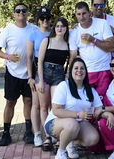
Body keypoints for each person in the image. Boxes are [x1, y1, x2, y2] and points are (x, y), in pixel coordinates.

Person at [0, 3, 39, 146]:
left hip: (29, 73)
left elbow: (48, 34)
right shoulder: (8, 31)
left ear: (27, 13)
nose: (21, 13)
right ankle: (6, 133)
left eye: (23, 11)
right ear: (14, 14)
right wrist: (7, 56)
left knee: (28, 102)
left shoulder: (34, 29)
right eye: (18, 11)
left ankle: (28, 131)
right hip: (12, 73)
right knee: (10, 103)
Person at [46, 58, 110, 159]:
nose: (79, 71)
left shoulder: (90, 90)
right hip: (55, 122)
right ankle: (61, 152)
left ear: (86, 71)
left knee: (93, 139)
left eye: (82, 68)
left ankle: (69, 142)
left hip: (77, 123)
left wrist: (107, 114)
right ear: (71, 71)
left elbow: (98, 108)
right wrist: (78, 115)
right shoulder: (64, 86)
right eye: (76, 68)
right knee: (72, 125)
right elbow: (56, 110)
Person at [69, 1, 114, 98]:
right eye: (78, 14)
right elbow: (73, 56)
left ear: (89, 13)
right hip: (86, 72)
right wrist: (71, 74)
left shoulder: (102, 23)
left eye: (84, 13)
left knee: (102, 103)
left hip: (104, 70)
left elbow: (112, 47)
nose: (81, 17)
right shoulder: (74, 32)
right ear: (76, 15)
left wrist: (93, 40)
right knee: (87, 102)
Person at [36, 16, 70, 152]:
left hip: (58, 75)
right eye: (57, 26)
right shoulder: (47, 40)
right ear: (54, 28)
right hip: (44, 73)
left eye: (62, 26)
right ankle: (47, 137)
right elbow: (39, 61)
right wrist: (41, 80)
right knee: (44, 106)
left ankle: (57, 136)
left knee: (56, 107)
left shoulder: (68, 44)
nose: (60, 28)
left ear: (66, 28)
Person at [25, 6, 53, 148]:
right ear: (38, 20)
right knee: (37, 104)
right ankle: (37, 133)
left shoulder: (54, 32)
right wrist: (30, 77)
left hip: (51, 69)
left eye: (47, 18)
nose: (45, 21)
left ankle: (50, 133)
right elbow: (29, 58)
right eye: (42, 18)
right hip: (37, 69)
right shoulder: (33, 34)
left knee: (49, 105)